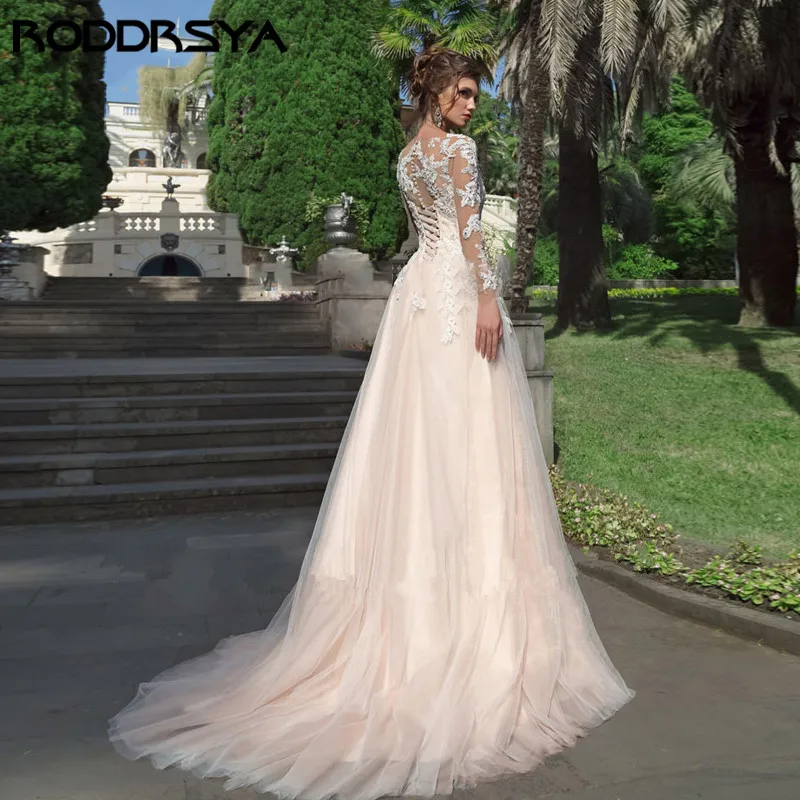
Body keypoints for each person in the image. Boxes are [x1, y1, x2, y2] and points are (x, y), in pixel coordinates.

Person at [108, 44, 635, 800]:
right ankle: (462, 616)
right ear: (435, 92)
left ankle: (422, 597)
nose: (473, 103)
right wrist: (490, 299)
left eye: (474, 93)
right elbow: (470, 233)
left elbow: (428, 233)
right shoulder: (457, 152)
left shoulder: (406, 156)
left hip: (417, 298)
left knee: (419, 446)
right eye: (463, 92)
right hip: (452, 298)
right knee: (462, 444)